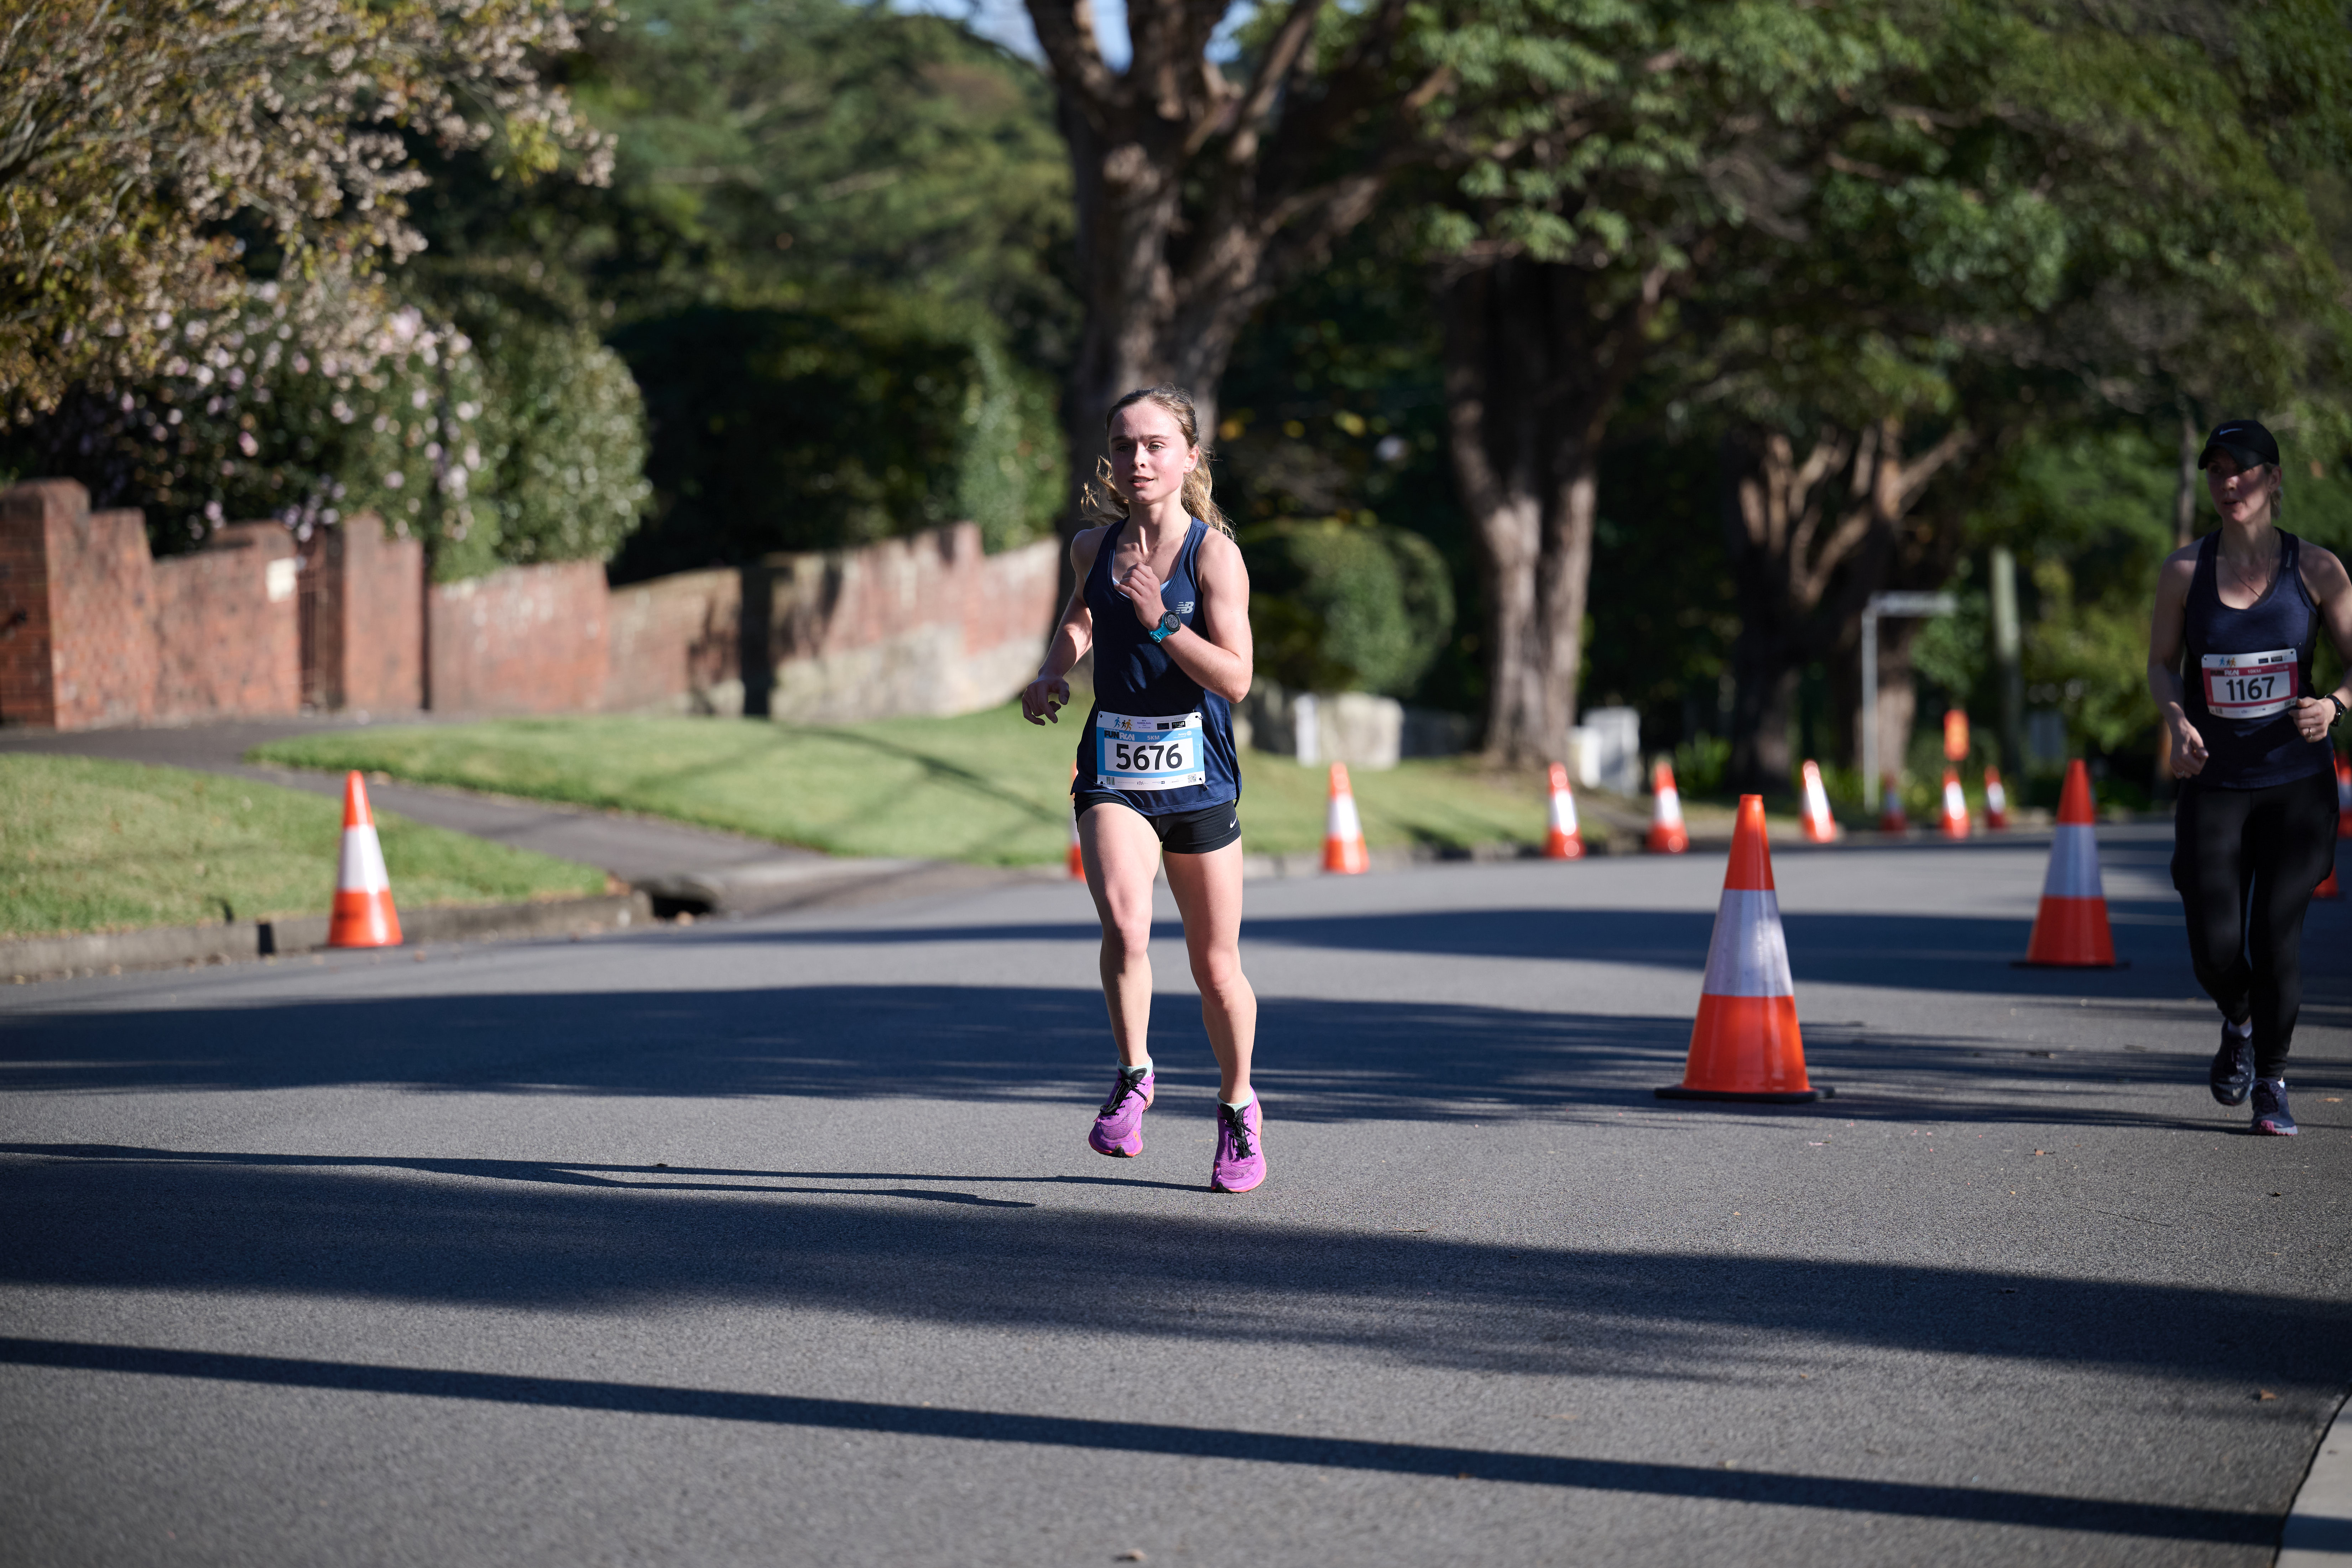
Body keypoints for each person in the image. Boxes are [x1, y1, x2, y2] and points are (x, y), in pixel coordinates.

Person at [1021, 385, 1265, 1192]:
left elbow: (1236, 679)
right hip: (1114, 768)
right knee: (1126, 927)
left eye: (1156, 444)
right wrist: (1054, 673)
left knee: (1215, 967)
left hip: (1199, 774)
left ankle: (1236, 1110)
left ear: (1190, 456)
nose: (1139, 460)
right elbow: (1082, 619)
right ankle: (1134, 1074)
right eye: (1125, 446)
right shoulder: (1094, 547)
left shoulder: (1213, 557)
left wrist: (1165, 621)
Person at [2147, 418, 2352, 1137]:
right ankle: (2237, 1018)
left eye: (2243, 470)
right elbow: (2162, 665)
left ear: (2273, 480)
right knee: (2213, 947)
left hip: (2297, 785)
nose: (2228, 483)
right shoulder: (2185, 572)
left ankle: (2272, 1080)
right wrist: (2177, 722)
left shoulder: (2318, 570)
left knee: (2277, 937)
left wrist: (2334, 705)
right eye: (2216, 470)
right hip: (2214, 785)